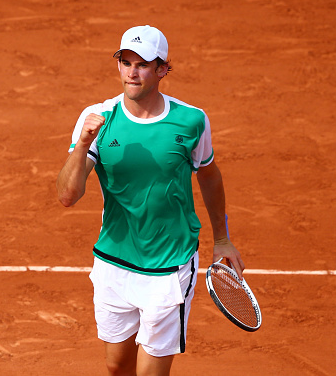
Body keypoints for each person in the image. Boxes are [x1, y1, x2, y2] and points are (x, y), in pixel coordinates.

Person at [56, 25, 245, 376]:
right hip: (114, 261)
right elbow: (67, 195)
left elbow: (208, 174)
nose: (131, 72)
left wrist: (222, 239)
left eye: (142, 64)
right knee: (116, 366)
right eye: (125, 62)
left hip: (169, 268)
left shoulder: (191, 121)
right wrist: (82, 144)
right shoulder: (98, 118)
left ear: (162, 70)